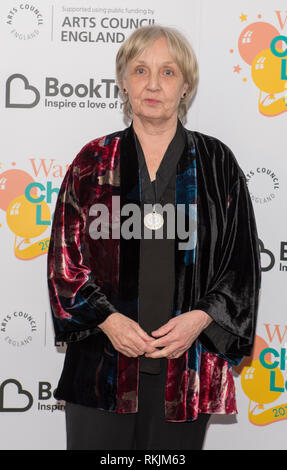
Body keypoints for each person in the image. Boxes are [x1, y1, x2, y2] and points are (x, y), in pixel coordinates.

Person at [47, 25, 261, 450]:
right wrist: (107, 319)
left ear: (186, 86)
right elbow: (64, 260)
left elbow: (241, 264)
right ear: (124, 81)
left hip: (186, 368)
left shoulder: (217, 163)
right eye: (140, 70)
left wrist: (200, 318)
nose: (152, 84)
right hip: (101, 367)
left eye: (167, 73)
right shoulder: (93, 161)